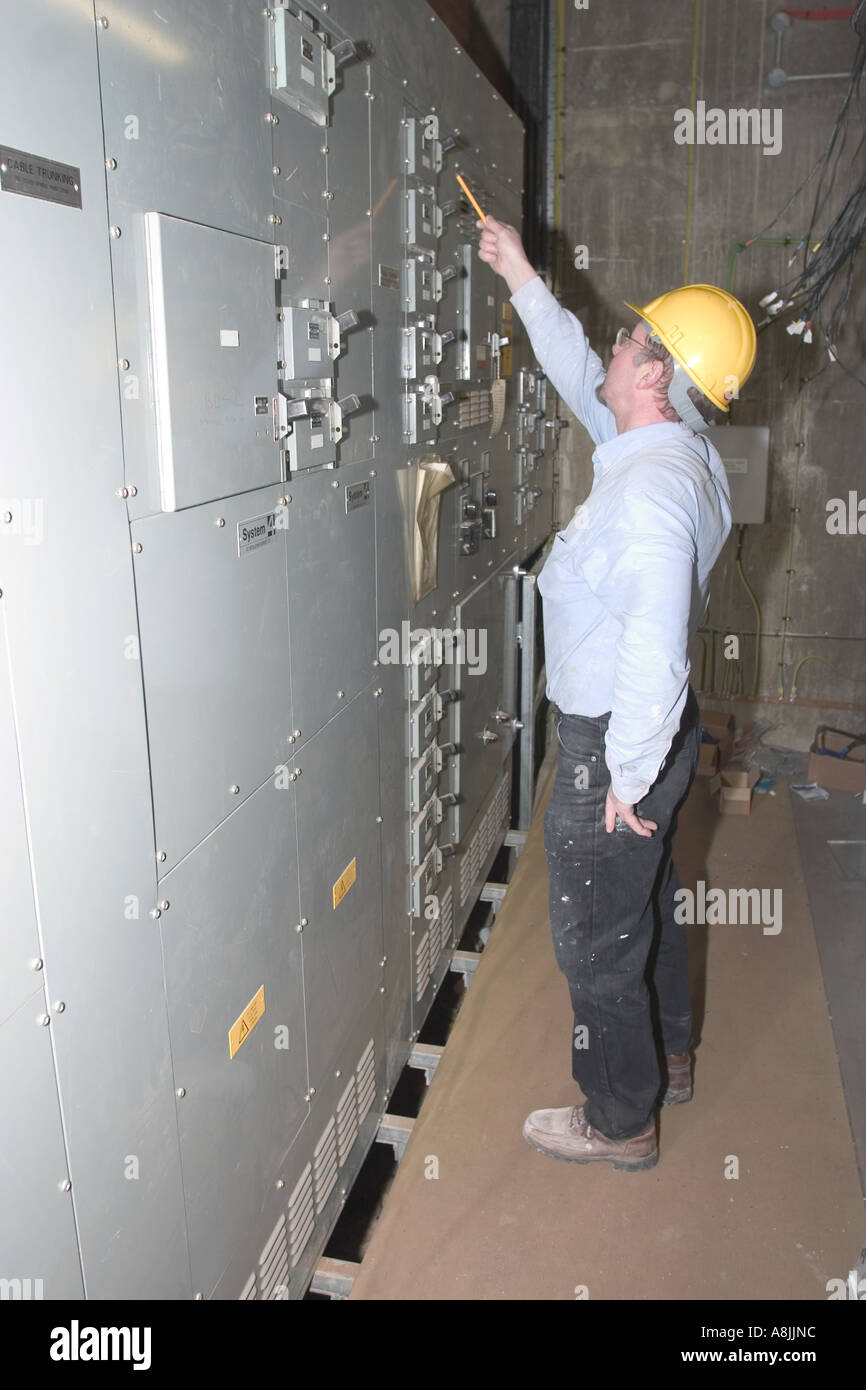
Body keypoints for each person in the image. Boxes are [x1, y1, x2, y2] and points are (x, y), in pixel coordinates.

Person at [477, 215, 756, 1171]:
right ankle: (672, 1053)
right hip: (654, 741)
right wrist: (518, 273)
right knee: (648, 901)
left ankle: (619, 1117)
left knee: (596, 942)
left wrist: (624, 781)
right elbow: (574, 367)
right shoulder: (669, 449)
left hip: (619, 746)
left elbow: (652, 651)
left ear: (653, 375)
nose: (618, 342)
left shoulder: (647, 496)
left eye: (633, 339)